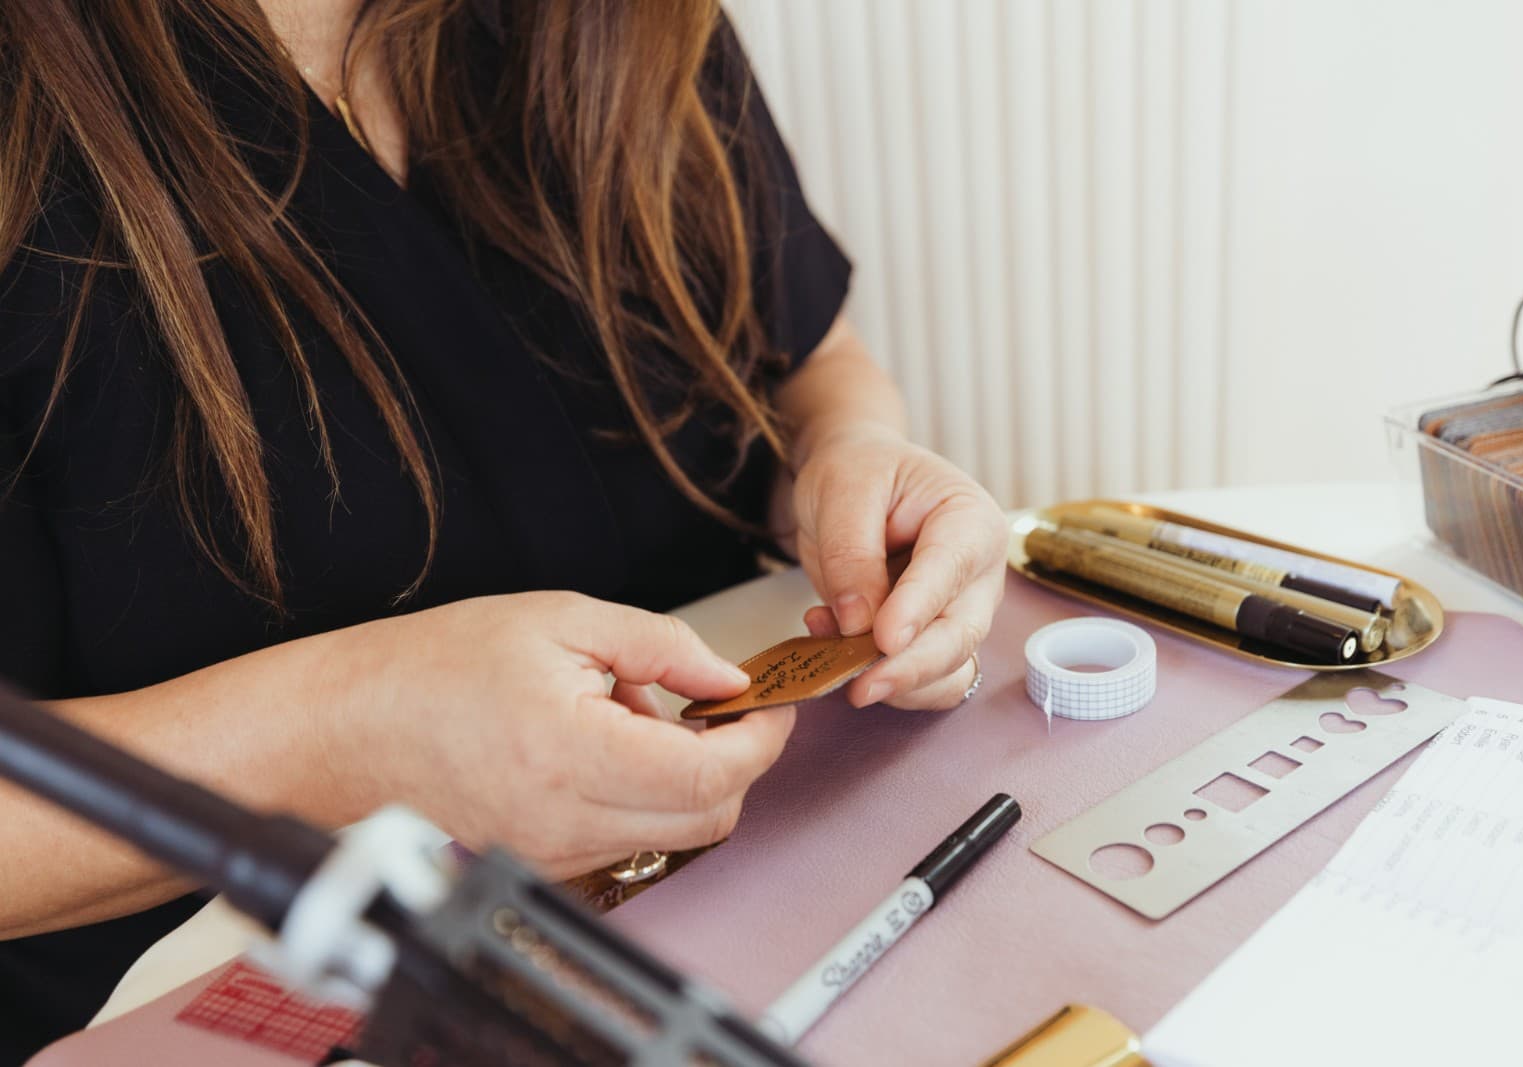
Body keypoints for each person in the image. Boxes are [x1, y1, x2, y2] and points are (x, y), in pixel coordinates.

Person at [0, 0, 1008, 1059]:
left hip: (755, 885)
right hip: (211, 997)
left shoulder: (620, 22)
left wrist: (851, 457)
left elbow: (806, 361)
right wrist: (354, 728)